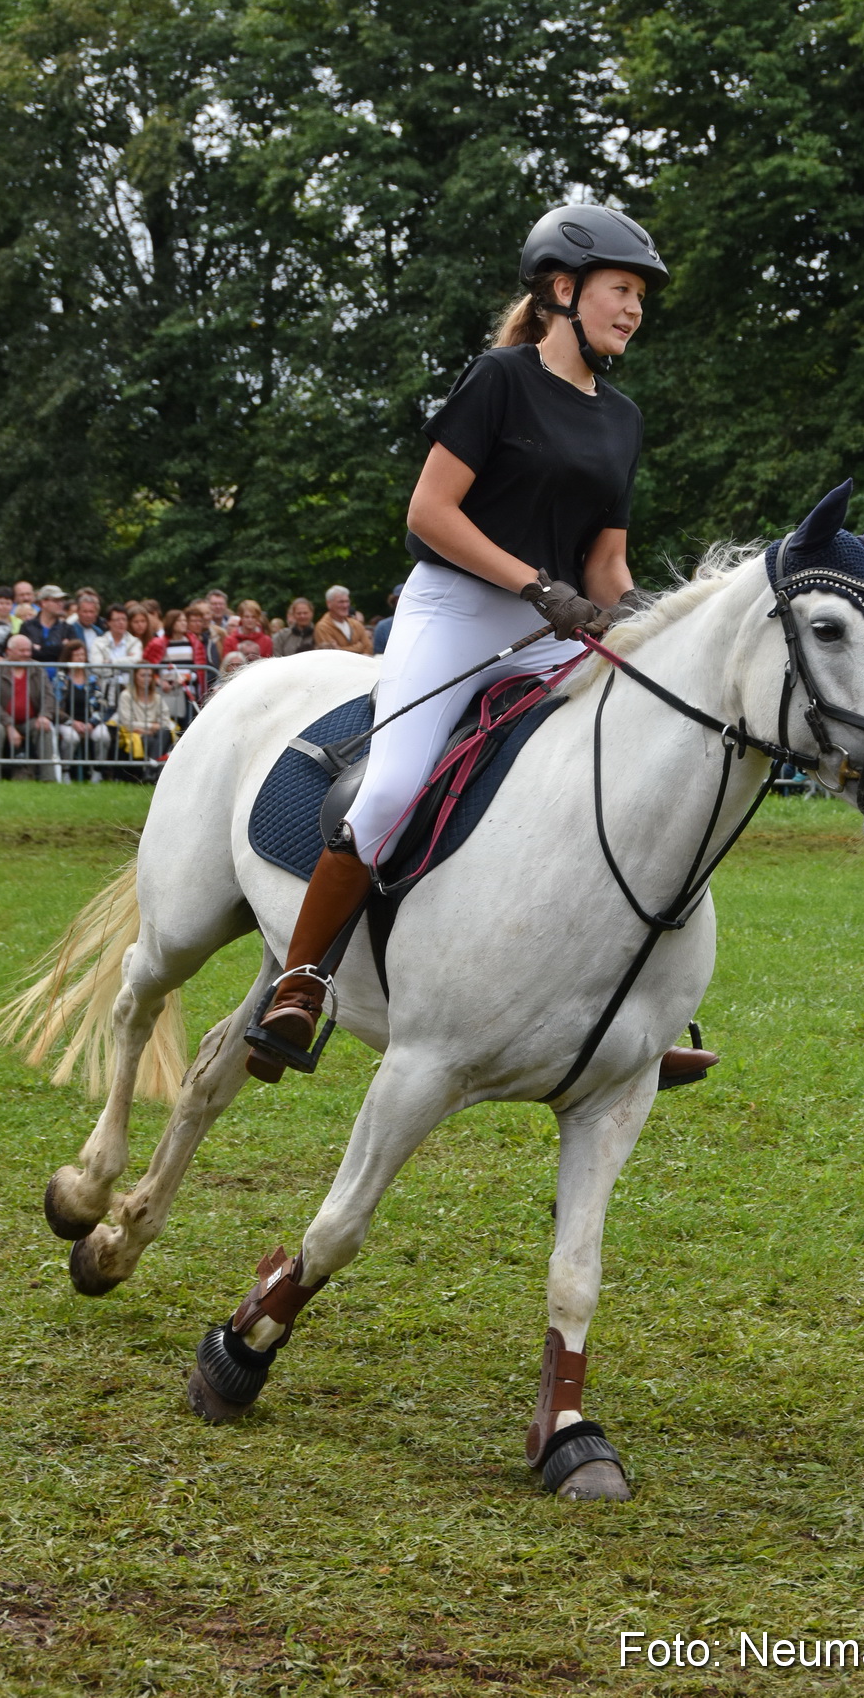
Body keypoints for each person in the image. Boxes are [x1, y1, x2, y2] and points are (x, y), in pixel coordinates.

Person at [246, 202, 714, 1094]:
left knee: (629, 771)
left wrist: (646, 623)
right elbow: (429, 512)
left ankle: (633, 1009)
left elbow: (606, 564)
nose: (633, 309)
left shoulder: (622, 418)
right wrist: (536, 584)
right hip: (456, 611)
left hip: (555, 624)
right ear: (562, 289)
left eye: (640, 297)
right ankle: (299, 983)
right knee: (390, 788)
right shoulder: (499, 379)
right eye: (621, 290)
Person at [0, 633, 57, 778]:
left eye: (28, 650)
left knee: (44, 728)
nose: (26, 654)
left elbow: (48, 696)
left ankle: (49, 778)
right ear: (9, 651)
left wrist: (44, 716)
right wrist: (8, 725)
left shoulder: (37, 669)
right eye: (22, 651)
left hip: (29, 720)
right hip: (0, 721)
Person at [54, 639, 111, 779]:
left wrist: (92, 723)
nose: (80, 658)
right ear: (68, 657)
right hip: (67, 722)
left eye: (82, 654)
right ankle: (66, 772)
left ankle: (97, 772)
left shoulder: (92, 679)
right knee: (71, 738)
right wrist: (72, 722)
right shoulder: (61, 679)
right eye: (76, 655)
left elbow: (101, 704)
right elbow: (56, 707)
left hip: (90, 722)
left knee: (103, 736)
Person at [143, 609, 208, 722]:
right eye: (179, 621)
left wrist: (186, 677)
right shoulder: (158, 643)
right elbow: (148, 668)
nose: (183, 623)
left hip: (187, 691)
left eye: (184, 620)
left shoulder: (194, 643)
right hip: (165, 692)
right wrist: (159, 681)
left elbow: (199, 670)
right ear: (171, 622)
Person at [114, 666, 174, 774]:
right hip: (136, 733)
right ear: (134, 677)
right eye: (143, 675)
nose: (147, 679)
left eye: (149, 675)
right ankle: (153, 772)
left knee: (165, 732)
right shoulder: (126, 695)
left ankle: (150, 771)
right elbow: (127, 723)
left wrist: (148, 728)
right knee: (149, 740)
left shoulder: (157, 697)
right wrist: (151, 726)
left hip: (156, 733)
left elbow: (165, 720)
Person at [312, 585, 373, 656]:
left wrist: (340, 648)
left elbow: (369, 648)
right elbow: (331, 654)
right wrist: (359, 647)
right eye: (341, 602)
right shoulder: (322, 627)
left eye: (347, 601)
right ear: (329, 604)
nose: (345, 605)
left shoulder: (357, 624)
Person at [19, 584, 73, 661]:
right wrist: (60, 647)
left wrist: (40, 649)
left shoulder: (67, 628)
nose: (61, 604)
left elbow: (71, 653)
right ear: (43, 602)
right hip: (34, 668)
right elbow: (24, 651)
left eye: (62, 600)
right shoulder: (27, 627)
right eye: (56, 600)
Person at [372, 584, 404, 654]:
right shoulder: (383, 627)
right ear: (394, 601)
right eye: (399, 598)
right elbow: (378, 655)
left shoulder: (424, 625)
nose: (403, 601)